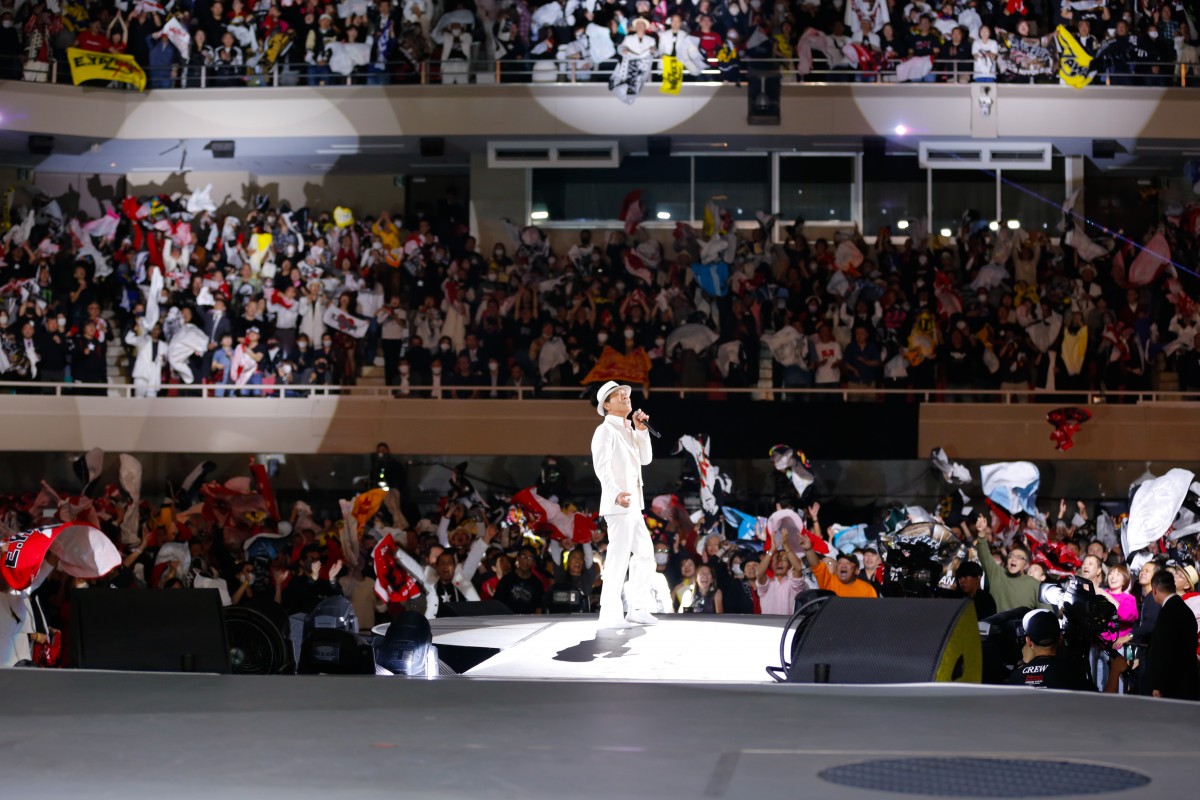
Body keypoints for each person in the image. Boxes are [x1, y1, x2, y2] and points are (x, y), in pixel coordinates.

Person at [591, 380, 658, 629]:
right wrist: (616, 492)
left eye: (625, 393)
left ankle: (637, 607)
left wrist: (641, 431)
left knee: (645, 554)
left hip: (633, 505)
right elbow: (602, 466)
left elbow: (647, 459)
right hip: (619, 504)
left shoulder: (629, 428)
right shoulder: (605, 430)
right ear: (606, 405)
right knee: (619, 559)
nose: (624, 396)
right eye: (616, 395)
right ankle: (609, 613)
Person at [1006, 609, 1094, 691]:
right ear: (1060, 638)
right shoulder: (1073, 673)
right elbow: (1099, 701)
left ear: (1029, 641)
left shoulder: (1016, 677)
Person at [1145, 569, 1200, 700]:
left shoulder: (1168, 612)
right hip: (1186, 680)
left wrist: (1159, 685)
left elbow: (1164, 651)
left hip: (1172, 685)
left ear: (1154, 590)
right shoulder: (1184, 609)